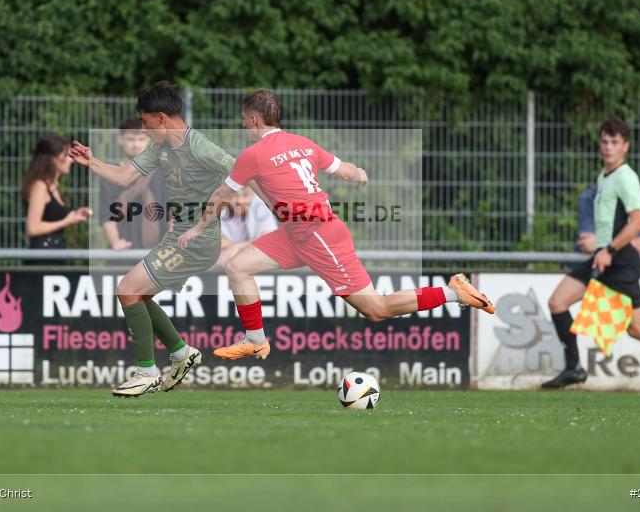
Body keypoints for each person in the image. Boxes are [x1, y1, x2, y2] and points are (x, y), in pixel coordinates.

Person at [177, 89, 495, 361]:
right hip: (297, 234)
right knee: (237, 267)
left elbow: (221, 196)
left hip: (319, 236)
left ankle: (454, 292)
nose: (243, 125)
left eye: (244, 120)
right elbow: (345, 170)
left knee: (376, 308)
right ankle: (256, 341)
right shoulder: (303, 144)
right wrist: (360, 174)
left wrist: (196, 229)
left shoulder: (254, 154)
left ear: (254, 119)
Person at [70, 82, 237, 396]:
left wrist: (218, 213)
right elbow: (124, 177)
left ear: (161, 118)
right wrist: (92, 161)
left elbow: (241, 174)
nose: (144, 130)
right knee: (140, 296)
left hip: (196, 242)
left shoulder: (200, 147)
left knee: (127, 289)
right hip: (178, 238)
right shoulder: (161, 148)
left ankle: (146, 373)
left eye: (146, 123)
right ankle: (181, 353)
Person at [543, 117, 640, 391]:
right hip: (603, 258)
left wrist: (610, 249)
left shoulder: (626, 177)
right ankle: (574, 368)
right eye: (605, 141)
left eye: (614, 142)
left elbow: (638, 222)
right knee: (557, 302)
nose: (608, 147)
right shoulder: (604, 176)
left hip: (620, 262)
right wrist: (603, 250)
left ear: (625, 146)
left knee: (637, 328)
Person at [98, 117, 167, 250]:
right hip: (123, 249)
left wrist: (169, 243)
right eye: (130, 139)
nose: (136, 144)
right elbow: (107, 214)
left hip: (158, 250)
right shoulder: (110, 174)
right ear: (120, 140)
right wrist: (115, 242)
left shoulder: (163, 173)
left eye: (141, 139)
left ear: (149, 140)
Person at [22, 134, 91, 265]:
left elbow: (52, 217)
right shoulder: (40, 186)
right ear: (53, 158)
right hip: (42, 259)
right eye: (66, 155)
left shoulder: (52, 186)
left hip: (55, 254)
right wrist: (66, 221)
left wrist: (75, 215)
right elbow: (33, 228)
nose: (71, 160)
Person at [575, 185, 640, 256]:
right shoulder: (589, 197)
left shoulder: (638, 198)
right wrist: (624, 241)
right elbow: (588, 245)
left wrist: (605, 246)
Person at [216, 186, 277, 268]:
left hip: (250, 257)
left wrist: (237, 247)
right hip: (223, 258)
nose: (240, 201)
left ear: (252, 195)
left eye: (245, 195)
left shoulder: (261, 207)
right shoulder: (216, 207)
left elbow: (270, 239)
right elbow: (207, 240)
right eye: (234, 195)